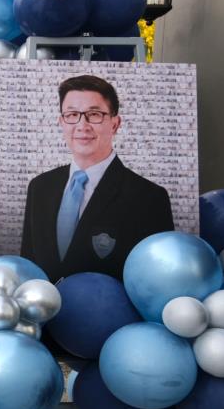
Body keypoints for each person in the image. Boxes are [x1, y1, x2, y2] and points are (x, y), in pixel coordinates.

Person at [20, 74, 173, 281]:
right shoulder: (40, 187)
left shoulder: (149, 197)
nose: (82, 125)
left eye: (94, 114)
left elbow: (156, 279)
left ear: (115, 124)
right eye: (72, 114)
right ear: (61, 122)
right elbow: (28, 268)